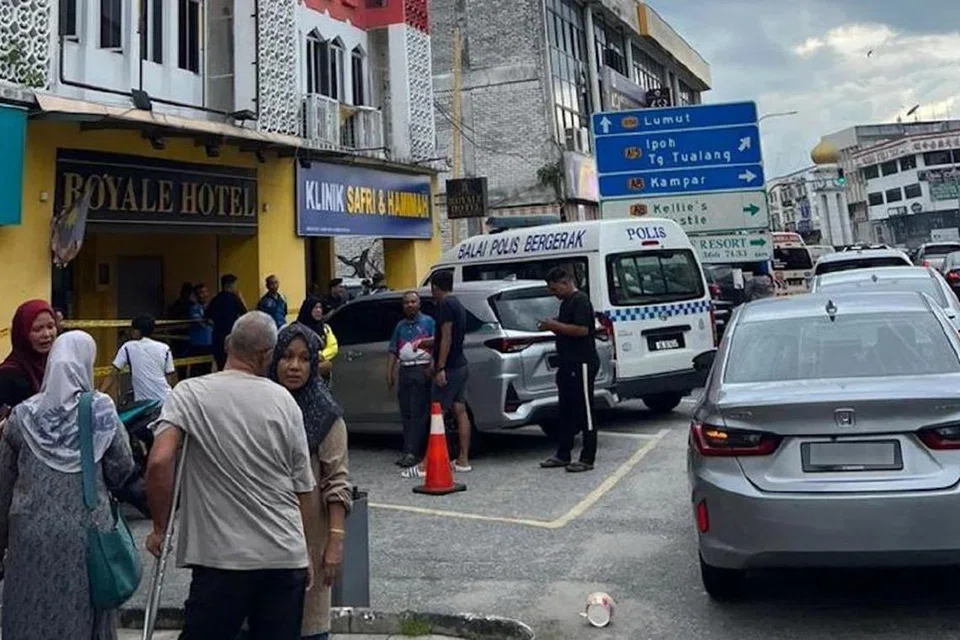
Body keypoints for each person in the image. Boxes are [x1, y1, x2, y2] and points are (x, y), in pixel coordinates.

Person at [145, 311, 320, 640]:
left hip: (220, 561)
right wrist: (306, 552)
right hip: (283, 555)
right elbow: (303, 487)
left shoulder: (189, 393)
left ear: (228, 345)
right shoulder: (284, 401)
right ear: (265, 355)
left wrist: (160, 526)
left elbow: (159, 461)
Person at [0, 331, 139, 639]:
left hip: (30, 536)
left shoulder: (22, 416)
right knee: (83, 618)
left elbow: (3, 486)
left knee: (30, 612)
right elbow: (121, 469)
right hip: (87, 534)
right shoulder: (101, 411)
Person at [270, 323, 352, 640]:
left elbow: (337, 483)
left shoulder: (326, 414)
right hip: (263, 540)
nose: (294, 366)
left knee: (309, 627)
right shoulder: (261, 408)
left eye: (305, 359)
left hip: (310, 541)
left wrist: (334, 542)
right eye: (287, 357)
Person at [402, 270, 472, 477]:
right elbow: (445, 337)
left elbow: (448, 337)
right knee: (460, 410)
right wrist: (426, 342)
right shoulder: (458, 304)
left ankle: (425, 465)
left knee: (437, 413)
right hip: (461, 365)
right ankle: (463, 459)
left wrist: (440, 367)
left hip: (450, 367)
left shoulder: (446, 306)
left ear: (434, 287)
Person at [538, 267, 600, 473]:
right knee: (565, 408)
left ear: (566, 283)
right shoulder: (566, 303)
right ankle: (563, 453)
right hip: (566, 363)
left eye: (555, 289)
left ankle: (587, 457)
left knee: (585, 410)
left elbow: (582, 330)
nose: (554, 294)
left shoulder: (580, 301)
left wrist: (555, 326)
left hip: (581, 362)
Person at [387, 292, 435, 468]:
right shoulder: (400, 326)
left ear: (419, 304)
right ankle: (408, 449)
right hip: (405, 369)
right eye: (406, 302)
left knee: (418, 412)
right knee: (406, 412)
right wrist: (390, 371)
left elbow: (438, 343)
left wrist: (433, 364)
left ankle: (415, 451)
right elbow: (393, 349)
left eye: (413, 302)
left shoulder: (428, 322)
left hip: (421, 368)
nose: (410, 305)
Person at [100, 314, 176, 404]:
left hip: (144, 404)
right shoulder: (165, 348)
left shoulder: (128, 347)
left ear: (137, 331)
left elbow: (113, 374)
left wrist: (99, 393)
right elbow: (169, 377)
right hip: (166, 400)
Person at [0, 300, 58, 411]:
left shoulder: (56, 367)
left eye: (50, 327)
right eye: (37, 329)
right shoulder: (8, 375)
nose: (46, 334)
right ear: (22, 334)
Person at [205, 274, 247, 371]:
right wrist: (241, 298)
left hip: (217, 338)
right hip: (231, 336)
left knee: (220, 365)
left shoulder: (216, 299)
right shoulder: (234, 299)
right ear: (230, 285)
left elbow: (207, 316)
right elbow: (245, 313)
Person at [296, 296, 339, 386]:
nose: (319, 310)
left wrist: (322, 356)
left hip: (322, 377)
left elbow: (333, 347)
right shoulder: (296, 329)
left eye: (320, 307)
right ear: (308, 309)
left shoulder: (325, 328)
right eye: (315, 307)